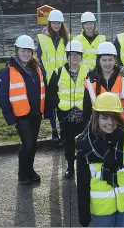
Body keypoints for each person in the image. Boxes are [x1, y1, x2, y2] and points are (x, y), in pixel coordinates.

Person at [76, 92, 124, 227]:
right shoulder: (84, 144)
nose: (110, 123)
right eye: (104, 118)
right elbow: (82, 182)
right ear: (96, 118)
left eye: (114, 118)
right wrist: (83, 213)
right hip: (101, 208)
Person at [0, 35, 47, 184]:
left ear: (32, 53)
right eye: (23, 51)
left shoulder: (37, 69)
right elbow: (2, 96)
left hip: (36, 113)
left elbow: (43, 89)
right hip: (21, 116)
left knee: (33, 144)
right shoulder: (7, 71)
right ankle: (22, 173)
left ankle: (30, 170)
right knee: (28, 143)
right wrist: (10, 117)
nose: (26, 54)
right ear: (17, 51)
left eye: (29, 51)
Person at [46, 40, 89, 178]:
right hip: (66, 115)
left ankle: (84, 166)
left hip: (83, 114)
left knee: (85, 142)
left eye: (77, 54)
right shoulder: (57, 72)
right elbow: (51, 93)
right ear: (67, 56)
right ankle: (70, 167)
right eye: (71, 54)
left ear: (81, 56)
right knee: (68, 142)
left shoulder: (88, 71)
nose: (74, 57)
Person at [37, 9, 69, 142]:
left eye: (59, 23)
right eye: (54, 23)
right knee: (51, 107)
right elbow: (39, 58)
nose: (56, 26)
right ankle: (54, 130)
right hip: (48, 79)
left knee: (62, 106)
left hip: (63, 78)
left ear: (62, 24)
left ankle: (62, 130)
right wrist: (43, 76)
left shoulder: (67, 38)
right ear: (50, 23)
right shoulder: (42, 39)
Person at [83, 42, 124, 125]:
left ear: (115, 60)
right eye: (104, 60)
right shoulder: (90, 81)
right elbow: (86, 110)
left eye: (110, 60)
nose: (107, 64)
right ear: (99, 61)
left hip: (120, 125)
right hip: (99, 128)